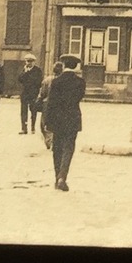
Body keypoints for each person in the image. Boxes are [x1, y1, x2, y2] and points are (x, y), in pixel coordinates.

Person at [44, 54, 87, 191]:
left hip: (57, 120)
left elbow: (51, 103)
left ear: (63, 65)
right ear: (75, 66)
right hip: (72, 119)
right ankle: (63, 176)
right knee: (69, 148)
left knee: (57, 149)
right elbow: (79, 98)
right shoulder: (80, 82)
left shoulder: (56, 82)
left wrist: (47, 122)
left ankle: (57, 178)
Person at [37, 61, 62, 150]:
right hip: (60, 104)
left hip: (47, 104)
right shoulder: (63, 80)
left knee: (44, 123)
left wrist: (39, 100)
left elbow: (42, 93)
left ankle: (49, 141)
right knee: (57, 122)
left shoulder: (47, 80)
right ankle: (54, 141)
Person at [17, 53, 44, 135]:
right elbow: (20, 79)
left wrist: (28, 74)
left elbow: (38, 82)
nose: (29, 63)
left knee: (33, 111)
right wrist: (25, 72)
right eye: (28, 61)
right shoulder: (24, 70)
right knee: (23, 111)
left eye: (31, 61)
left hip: (33, 93)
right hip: (25, 93)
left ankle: (32, 127)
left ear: (34, 62)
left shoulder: (38, 70)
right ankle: (24, 128)